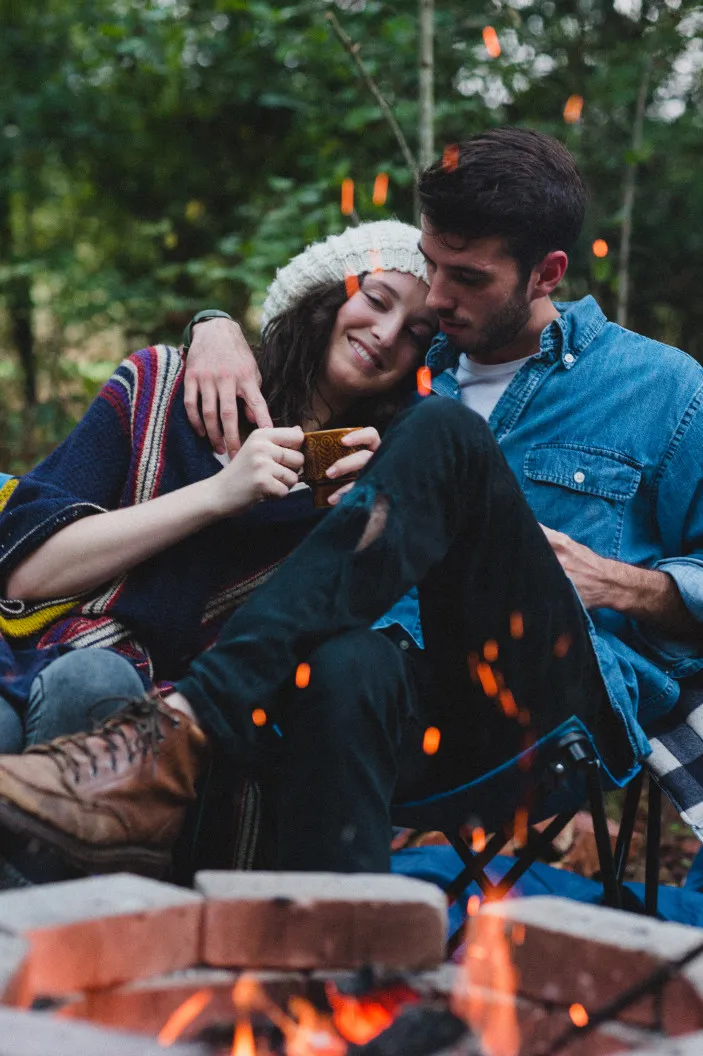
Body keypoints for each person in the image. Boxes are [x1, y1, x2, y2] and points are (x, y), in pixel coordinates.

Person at [0, 127, 702, 880]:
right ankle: (335, 958)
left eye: (465, 278)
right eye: (428, 265)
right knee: (345, 663)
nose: (435, 297)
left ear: (545, 273)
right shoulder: (407, 364)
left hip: (547, 703)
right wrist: (214, 325)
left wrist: (622, 583)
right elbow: (302, 352)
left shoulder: (664, 390)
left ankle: (179, 733)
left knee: (443, 432)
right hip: (406, 699)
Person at [0, 219, 433, 792]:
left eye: (416, 334)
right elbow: (25, 571)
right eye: (376, 301)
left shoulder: (358, 492)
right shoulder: (161, 386)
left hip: (187, 732)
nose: (386, 333)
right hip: (29, 658)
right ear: (325, 295)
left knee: (93, 682)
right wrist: (217, 495)